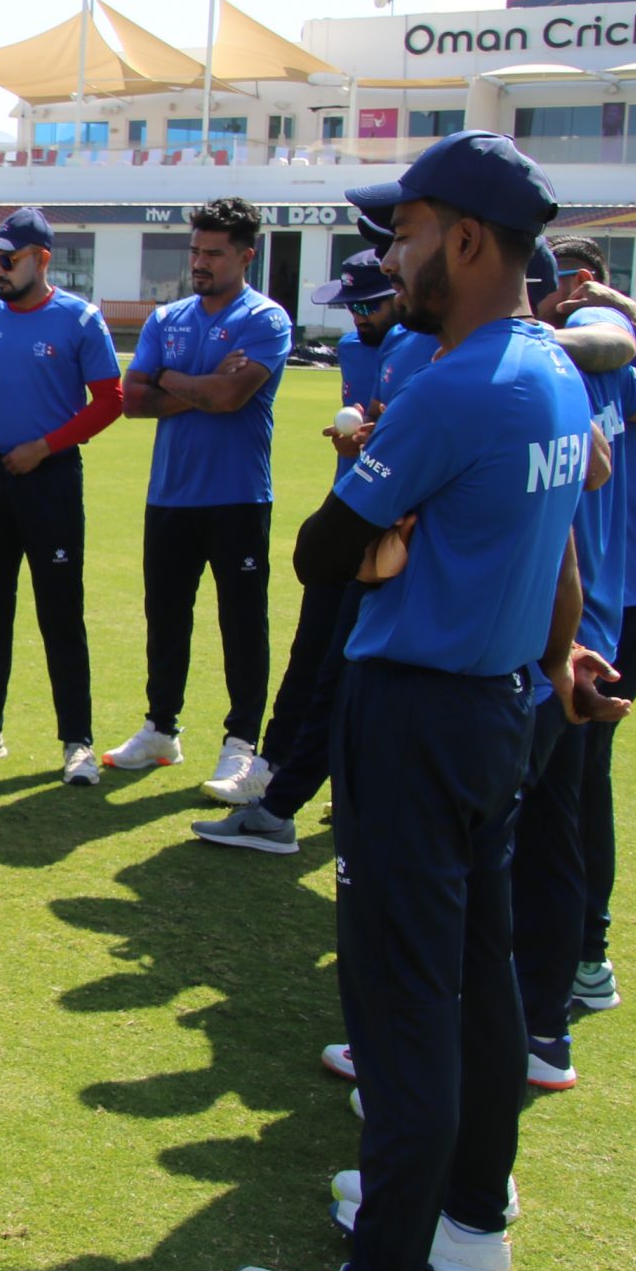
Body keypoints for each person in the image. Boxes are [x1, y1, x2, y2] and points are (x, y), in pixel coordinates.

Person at [233, 129, 619, 1271]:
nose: (388, 255)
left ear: (462, 239)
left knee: (402, 1005)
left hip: (416, 714)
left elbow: (322, 555)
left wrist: (383, 531)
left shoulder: (459, 382)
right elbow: (554, 544)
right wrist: (557, 659)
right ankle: (468, 1223)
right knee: (479, 976)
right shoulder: (551, 367)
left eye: (401, 233)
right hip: (500, 706)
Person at [196, 232, 431, 854]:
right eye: (352, 307)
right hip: (350, 509)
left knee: (357, 670)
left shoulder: (422, 343)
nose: (360, 317)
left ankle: (321, 791)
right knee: (312, 657)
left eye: (372, 304)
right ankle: (273, 771)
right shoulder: (358, 346)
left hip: (394, 529)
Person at [541, 241, 636, 1026]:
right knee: (572, 781)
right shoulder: (573, 360)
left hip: (618, 602)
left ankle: (582, 956)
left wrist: (626, 310)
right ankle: (572, 951)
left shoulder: (596, 336)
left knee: (575, 783)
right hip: (615, 597)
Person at [111, 198, 292, 802]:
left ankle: (242, 745)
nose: (200, 262)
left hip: (239, 496)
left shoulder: (265, 320)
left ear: (247, 255)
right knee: (165, 618)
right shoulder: (170, 317)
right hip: (170, 496)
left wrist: (169, 378)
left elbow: (234, 397)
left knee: (242, 624)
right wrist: (199, 382)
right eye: (195, 250)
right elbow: (131, 399)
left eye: (214, 253)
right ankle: (162, 730)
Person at [0, 208, 124, 786]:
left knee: (60, 613)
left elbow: (110, 399)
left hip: (50, 481)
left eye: (7, 258)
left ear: (42, 259)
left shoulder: (79, 319)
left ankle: (77, 743)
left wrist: (45, 447)